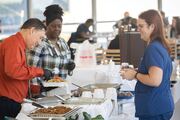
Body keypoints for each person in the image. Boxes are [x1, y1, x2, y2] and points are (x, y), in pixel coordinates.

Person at [121, 9, 174, 119]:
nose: (138, 29)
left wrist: (134, 75)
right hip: (160, 105)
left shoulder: (153, 48)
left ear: (152, 27)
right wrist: (137, 71)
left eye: (141, 26)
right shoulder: (160, 45)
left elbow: (155, 80)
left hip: (154, 108)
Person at [0, 18, 53, 119]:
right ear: (32, 31)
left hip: (12, 100)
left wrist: (37, 89)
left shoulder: (18, 44)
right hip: (7, 102)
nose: (39, 42)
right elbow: (13, 71)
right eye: (40, 38)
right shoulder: (13, 43)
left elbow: (17, 76)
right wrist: (40, 71)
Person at [27, 4, 75, 97]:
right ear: (46, 25)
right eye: (53, 26)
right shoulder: (39, 43)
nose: (57, 29)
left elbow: (67, 64)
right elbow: (31, 69)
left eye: (59, 26)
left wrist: (71, 66)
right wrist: (36, 92)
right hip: (44, 94)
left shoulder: (63, 43)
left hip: (62, 92)